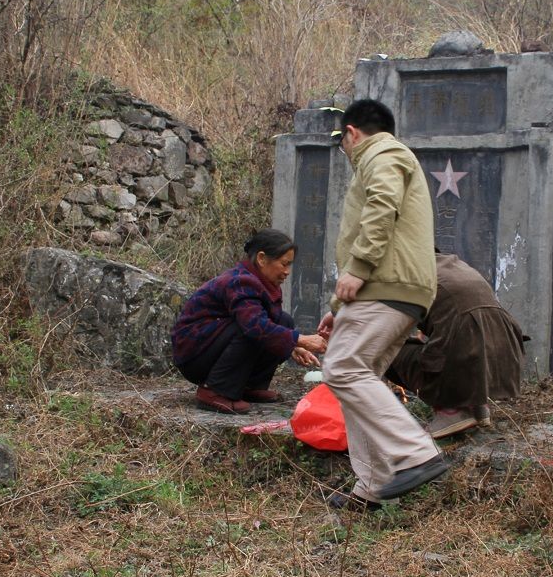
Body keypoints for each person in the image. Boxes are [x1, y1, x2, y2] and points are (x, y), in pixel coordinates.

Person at [318, 98, 447, 512]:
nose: (346, 152)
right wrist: (338, 306)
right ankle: (370, 488)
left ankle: (415, 453)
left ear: (352, 133)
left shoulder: (383, 152)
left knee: (342, 368)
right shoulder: (389, 155)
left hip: (385, 283)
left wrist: (358, 266)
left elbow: (381, 205)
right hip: (390, 288)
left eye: (344, 143)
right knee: (357, 378)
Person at [172, 229, 328, 415]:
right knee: (252, 329)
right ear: (262, 259)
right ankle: (214, 390)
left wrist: (292, 346)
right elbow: (255, 326)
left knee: (283, 321)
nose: (287, 272)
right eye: (284, 264)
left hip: (212, 345)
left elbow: (273, 323)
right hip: (194, 354)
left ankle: (249, 385)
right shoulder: (240, 282)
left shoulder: (261, 282)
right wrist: (301, 339)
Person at [386, 252, 525, 438]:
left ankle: (450, 411)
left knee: (380, 348)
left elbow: (382, 329)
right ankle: (476, 405)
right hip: (505, 357)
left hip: (465, 349)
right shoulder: (450, 263)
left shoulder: (402, 271)